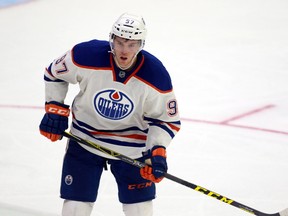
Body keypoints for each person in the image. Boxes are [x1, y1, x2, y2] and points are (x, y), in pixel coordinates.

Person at [39, 12, 181, 216]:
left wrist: (155, 153)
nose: (124, 51)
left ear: (141, 44)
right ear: (111, 39)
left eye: (132, 45)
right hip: (85, 140)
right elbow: (54, 73)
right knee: (74, 209)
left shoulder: (156, 75)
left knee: (140, 210)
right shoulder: (84, 55)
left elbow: (166, 120)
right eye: (120, 42)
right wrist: (55, 109)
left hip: (132, 150)